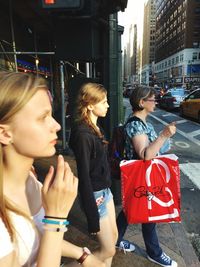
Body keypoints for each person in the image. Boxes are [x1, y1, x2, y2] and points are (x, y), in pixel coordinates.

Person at [0, 71, 105, 267]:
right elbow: (48, 231)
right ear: (5, 134)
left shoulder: (30, 178)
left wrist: (82, 256)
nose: (56, 125)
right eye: (43, 117)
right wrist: (56, 217)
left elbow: (37, 238)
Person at [116, 86, 177, 267]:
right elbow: (145, 154)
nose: (156, 102)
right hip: (141, 177)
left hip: (143, 177)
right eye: (152, 99)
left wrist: (164, 139)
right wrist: (164, 135)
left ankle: (115, 238)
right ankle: (154, 253)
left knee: (130, 210)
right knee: (149, 213)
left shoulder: (144, 124)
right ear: (141, 102)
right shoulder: (135, 124)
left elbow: (156, 149)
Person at [69, 83, 118, 267]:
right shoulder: (83, 134)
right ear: (90, 105)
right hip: (96, 195)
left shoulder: (96, 128)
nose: (108, 105)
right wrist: (92, 217)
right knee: (108, 249)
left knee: (112, 239)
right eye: (104, 102)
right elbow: (84, 176)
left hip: (105, 192)